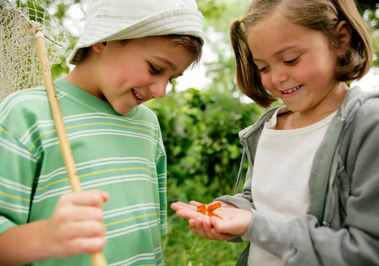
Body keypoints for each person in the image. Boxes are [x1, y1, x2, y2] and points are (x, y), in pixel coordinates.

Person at [171, 0, 379, 265]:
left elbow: (367, 250)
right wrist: (233, 211)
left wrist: (254, 226)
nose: (277, 78)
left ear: (339, 40)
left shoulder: (367, 125)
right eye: (263, 67)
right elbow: (261, 203)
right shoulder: (268, 127)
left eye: (291, 60)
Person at [0, 0, 204, 265]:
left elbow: (149, 241)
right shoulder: (27, 113)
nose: (161, 91)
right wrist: (44, 237)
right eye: (155, 68)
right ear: (104, 38)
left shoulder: (148, 126)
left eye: (172, 78)